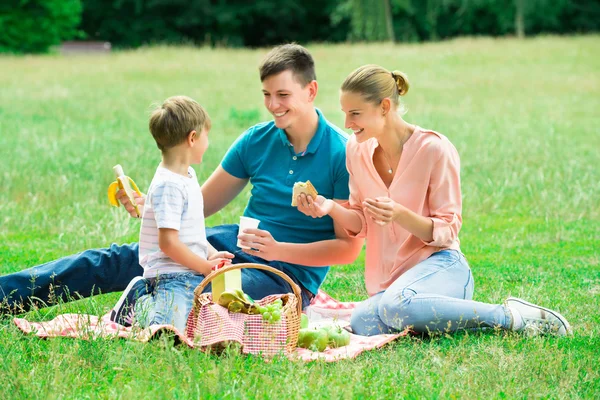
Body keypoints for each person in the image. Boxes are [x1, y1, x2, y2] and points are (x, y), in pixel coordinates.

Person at [0, 44, 363, 316]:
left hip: (285, 274)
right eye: (267, 94)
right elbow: (198, 206)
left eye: (283, 95)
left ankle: (138, 312)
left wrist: (278, 251)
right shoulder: (257, 140)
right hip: (228, 244)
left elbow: (348, 249)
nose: (273, 105)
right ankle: (6, 296)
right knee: (118, 259)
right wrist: (153, 206)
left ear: (311, 91)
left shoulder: (340, 154)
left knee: (199, 290)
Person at [296, 64, 572, 337]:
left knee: (395, 306)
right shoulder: (356, 150)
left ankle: (512, 316)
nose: (347, 124)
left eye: (355, 113)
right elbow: (361, 220)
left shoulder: (434, 149)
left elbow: (447, 230)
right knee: (364, 322)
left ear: (384, 107)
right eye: (345, 113)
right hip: (392, 284)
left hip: (442, 267)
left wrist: (400, 214)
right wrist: (329, 207)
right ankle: (430, 316)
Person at [117, 95, 235, 332]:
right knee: (167, 331)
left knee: (208, 324)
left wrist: (210, 254)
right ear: (192, 138)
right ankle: (138, 300)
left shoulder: (187, 175)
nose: (208, 142)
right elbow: (168, 244)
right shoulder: (169, 185)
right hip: (171, 278)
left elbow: (191, 233)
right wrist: (204, 267)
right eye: (206, 136)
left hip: (190, 274)